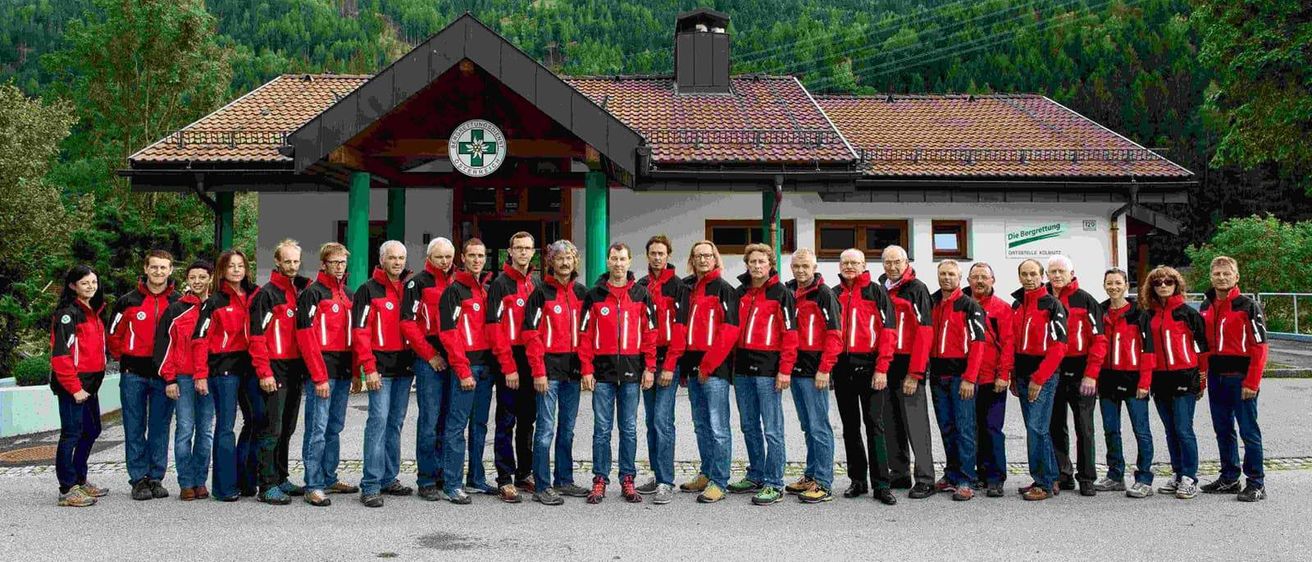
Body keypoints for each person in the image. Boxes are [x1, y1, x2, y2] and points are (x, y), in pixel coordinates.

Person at [579, 242, 657, 504]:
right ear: (608, 261)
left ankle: (627, 478)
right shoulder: (594, 295)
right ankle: (600, 479)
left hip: (632, 372)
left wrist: (650, 368)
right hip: (602, 373)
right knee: (602, 429)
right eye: (614, 259)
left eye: (623, 259)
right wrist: (586, 369)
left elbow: (650, 333)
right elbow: (585, 335)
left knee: (629, 429)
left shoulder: (641, 294)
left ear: (630, 261)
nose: (618, 263)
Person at [724, 244, 797, 505]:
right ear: (746, 264)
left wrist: (785, 370)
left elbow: (790, 334)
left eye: (761, 262)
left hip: (769, 370)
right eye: (752, 262)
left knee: (772, 429)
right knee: (749, 426)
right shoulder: (739, 292)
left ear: (770, 265)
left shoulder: (782, 293)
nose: (756, 266)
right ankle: (755, 474)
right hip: (742, 369)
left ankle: (774, 482)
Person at [522, 240, 591, 505]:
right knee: (545, 429)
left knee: (568, 429)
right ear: (551, 262)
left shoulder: (582, 293)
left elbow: (587, 334)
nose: (564, 263)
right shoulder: (540, 293)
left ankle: (564, 480)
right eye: (559, 258)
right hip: (548, 372)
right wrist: (538, 371)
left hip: (572, 372)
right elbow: (531, 334)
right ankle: (542, 485)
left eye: (569, 258)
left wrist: (586, 368)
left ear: (575, 262)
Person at [108, 249, 179, 501]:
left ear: (170, 270)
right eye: (154, 267)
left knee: (160, 427)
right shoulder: (128, 301)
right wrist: (127, 358)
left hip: (164, 376)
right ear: (146, 269)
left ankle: (156, 477)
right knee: (134, 426)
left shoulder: (178, 302)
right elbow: (113, 334)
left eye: (163, 267)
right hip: (133, 374)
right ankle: (138, 479)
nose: (158, 272)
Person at [1199, 256, 1269, 502]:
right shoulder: (1206, 306)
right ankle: (1229, 477)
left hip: (1241, 379)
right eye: (1217, 273)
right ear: (1211, 277)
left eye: (1226, 273)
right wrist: (1202, 378)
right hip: (1216, 378)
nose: (1221, 277)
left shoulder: (1248, 306)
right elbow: (1203, 346)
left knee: (1248, 431)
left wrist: (1252, 382)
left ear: (1236, 277)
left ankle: (1256, 483)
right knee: (1223, 429)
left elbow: (1260, 347)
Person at [831, 249, 898, 505]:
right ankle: (857, 480)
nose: (850, 267)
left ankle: (882, 485)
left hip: (871, 367)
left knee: (875, 426)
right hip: (842, 367)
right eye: (845, 263)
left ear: (863, 265)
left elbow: (888, 332)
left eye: (855, 263)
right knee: (850, 428)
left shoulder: (876, 292)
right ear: (840, 265)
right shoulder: (834, 293)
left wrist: (882, 368)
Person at [192, 249, 259, 502]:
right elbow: (200, 339)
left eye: (240, 265)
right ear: (222, 270)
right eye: (231, 266)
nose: (236, 270)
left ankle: (246, 479)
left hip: (250, 367)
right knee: (226, 426)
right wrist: (200, 375)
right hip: (223, 369)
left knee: (257, 419)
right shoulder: (214, 302)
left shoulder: (254, 295)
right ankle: (224, 486)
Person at [295, 242, 359, 506]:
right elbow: (305, 337)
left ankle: (329, 477)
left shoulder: (349, 294)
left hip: (343, 372)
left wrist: (356, 372)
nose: (339, 267)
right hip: (322, 374)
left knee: (334, 427)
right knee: (317, 429)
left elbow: (355, 337)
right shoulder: (313, 294)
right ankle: (313, 484)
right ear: (323, 264)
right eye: (334, 262)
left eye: (343, 262)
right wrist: (318, 376)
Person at [676, 240, 740, 504]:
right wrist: (684, 366)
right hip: (692, 366)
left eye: (707, 255)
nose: (703, 260)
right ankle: (707, 472)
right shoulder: (687, 288)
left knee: (718, 427)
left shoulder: (724, 289)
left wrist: (708, 365)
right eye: (698, 256)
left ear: (715, 259)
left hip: (713, 369)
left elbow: (730, 331)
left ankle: (719, 481)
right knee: (701, 425)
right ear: (692, 260)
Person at [352, 240, 416, 507]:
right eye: (392, 258)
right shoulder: (367, 290)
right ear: (382, 260)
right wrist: (368, 368)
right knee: (377, 423)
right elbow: (360, 331)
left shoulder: (410, 288)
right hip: (380, 369)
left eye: (401, 258)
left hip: (405, 369)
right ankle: (370, 484)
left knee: (395, 424)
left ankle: (389, 477)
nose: (397, 262)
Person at [248, 239, 312, 505]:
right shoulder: (267, 295)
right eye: (287, 261)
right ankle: (267, 485)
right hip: (274, 368)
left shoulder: (299, 291)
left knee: (287, 427)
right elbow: (257, 337)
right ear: (277, 261)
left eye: (296, 261)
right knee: (272, 429)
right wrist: (264, 372)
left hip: (295, 369)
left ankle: (282, 477)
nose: (292, 266)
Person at [437, 238, 497, 505]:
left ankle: (476, 477)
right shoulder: (454, 291)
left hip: (486, 368)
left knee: (480, 425)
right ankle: (452, 483)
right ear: (462, 258)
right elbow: (449, 334)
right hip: (466, 368)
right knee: (456, 426)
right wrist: (462, 370)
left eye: (481, 256)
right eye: (472, 255)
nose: (477, 260)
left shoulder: (485, 290)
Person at [1141, 265, 1209, 500]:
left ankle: (1190, 477)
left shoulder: (1188, 313)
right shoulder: (1147, 315)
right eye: (1158, 282)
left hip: (1184, 377)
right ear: (1152, 287)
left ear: (1176, 284)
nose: (1163, 286)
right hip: (1159, 379)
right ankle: (1178, 473)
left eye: (1168, 282)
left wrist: (1201, 380)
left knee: (1183, 429)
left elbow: (1202, 350)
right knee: (1170, 430)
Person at [1044, 254, 1107, 496]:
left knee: (1084, 427)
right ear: (1047, 275)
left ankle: (1087, 477)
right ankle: (1063, 473)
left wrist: (1091, 375)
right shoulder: (1043, 299)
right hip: (1053, 370)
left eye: (1061, 271)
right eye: (1053, 271)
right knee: (1055, 425)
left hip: (1081, 371)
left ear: (1071, 274)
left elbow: (1099, 340)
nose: (1057, 275)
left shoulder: (1085, 300)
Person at [400, 238, 457, 501]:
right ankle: (426, 478)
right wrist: (429, 355)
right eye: (439, 257)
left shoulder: (457, 281)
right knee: (430, 420)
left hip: (455, 355)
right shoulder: (417, 283)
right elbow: (408, 324)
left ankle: (444, 473)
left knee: (449, 419)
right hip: (429, 358)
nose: (444, 262)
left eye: (448, 257)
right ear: (429, 257)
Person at [877, 245, 936, 499]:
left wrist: (916, 373)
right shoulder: (881, 289)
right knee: (892, 422)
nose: (892, 267)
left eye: (897, 262)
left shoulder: (917, 289)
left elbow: (925, 332)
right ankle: (899, 472)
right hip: (887, 363)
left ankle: (925, 478)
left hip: (909, 364)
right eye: (887, 262)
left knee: (916, 424)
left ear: (906, 263)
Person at [784, 248, 842, 504]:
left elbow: (835, 335)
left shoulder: (824, 294)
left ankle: (824, 482)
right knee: (808, 426)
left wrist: (825, 368)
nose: (800, 270)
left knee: (819, 427)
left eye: (805, 266)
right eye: (796, 266)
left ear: (814, 267)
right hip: (796, 370)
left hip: (815, 371)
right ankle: (811, 475)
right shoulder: (789, 292)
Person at [486, 231, 540, 502]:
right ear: (510, 251)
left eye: (527, 248)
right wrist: (508, 366)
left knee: (528, 419)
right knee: (506, 420)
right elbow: (494, 328)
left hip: (531, 358)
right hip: (509, 358)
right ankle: (505, 478)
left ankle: (524, 472)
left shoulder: (536, 283)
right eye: (518, 248)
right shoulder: (500, 284)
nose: (523, 252)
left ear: (533, 252)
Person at [1093, 268, 1156, 498]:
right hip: (1107, 379)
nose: (1114, 287)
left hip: (1134, 379)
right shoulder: (1099, 311)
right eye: (1109, 283)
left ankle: (1144, 478)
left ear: (1126, 285)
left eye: (1118, 283)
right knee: (1111, 430)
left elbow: (1149, 351)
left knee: (1141, 431)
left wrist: (1145, 382)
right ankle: (1115, 475)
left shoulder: (1140, 313)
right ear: (1104, 285)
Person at [154, 260, 215, 501]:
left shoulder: (216, 305)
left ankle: (200, 480)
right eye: (193, 277)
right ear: (187, 280)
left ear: (210, 278)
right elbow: (164, 347)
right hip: (183, 377)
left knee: (205, 432)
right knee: (185, 429)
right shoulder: (176, 309)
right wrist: (170, 379)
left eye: (202, 277)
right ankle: (186, 482)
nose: (197, 282)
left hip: (209, 378)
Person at [928, 260, 987, 501]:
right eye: (942, 274)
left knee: (964, 429)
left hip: (960, 378)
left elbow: (978, 343)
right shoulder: (932, 302)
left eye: (951, 274)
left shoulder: (969, 305)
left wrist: (970, 378)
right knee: (946, 427)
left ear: (960, 278)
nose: (946, 278)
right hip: (937, 376)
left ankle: (966, 479)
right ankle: (951, 474)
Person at [634, 235, 687, 504]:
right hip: (647, 361)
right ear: (647, 255)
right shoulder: (641, 286)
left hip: (667, 362)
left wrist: (670, 366)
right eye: (653, 253)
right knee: (650, 421)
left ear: (668, 255)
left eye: (661, 253)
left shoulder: (678, 287)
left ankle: (666, 481)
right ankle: (657, 475)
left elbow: (680, 329)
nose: (657, 257)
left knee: (663, 421)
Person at [50, 265, 109, 507]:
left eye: (93, 282)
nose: (91, 287)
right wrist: (74, 388)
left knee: (91, 430)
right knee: (71, 434)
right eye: (85, 283)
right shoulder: (68, 314)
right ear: (73, 286)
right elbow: (61, 355)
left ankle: (80, 479)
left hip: (90, 385)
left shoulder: (94, 311)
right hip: (73, 385)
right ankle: (67, 488)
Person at [1010, 259, 1069, 501]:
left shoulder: (1052, 305)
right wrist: (1013, 376)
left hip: (1042, 377)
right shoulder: (1017, 304)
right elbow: (1013, 343)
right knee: (1035, 429)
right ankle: (1049, 477)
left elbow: (1059, 346)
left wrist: (1039, 378)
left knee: (1037, 428)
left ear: (1041, 276)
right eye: (1024, 274)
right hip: (1022, 375)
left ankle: (1043, 483)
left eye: (1033, 274)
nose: (1029, 278)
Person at [965, 262, 1013, 498]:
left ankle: (995, 477)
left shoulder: (1002, 308)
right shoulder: (963, 305)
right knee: (970, 429)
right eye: (975, 277)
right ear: (968, 281)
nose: (980, 281)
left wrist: (1003, 375)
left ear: (993, 280)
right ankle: (976, 473)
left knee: (992, 429)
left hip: (992, 378)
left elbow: (1008, 344)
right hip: (967, 379)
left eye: (984, 277)